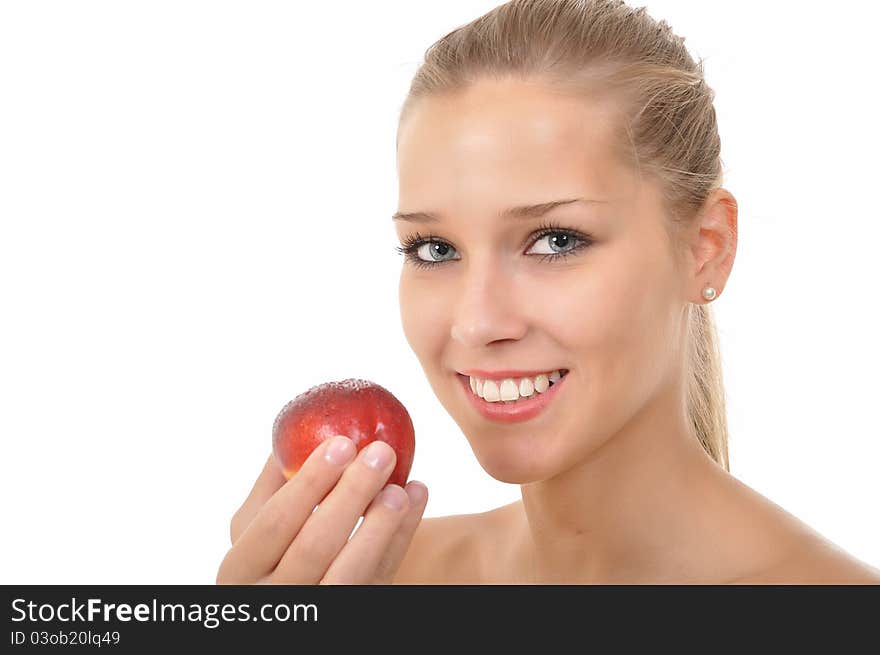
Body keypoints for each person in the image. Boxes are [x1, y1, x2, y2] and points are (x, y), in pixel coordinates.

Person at [217, 0, 880, 585]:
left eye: (555, 240)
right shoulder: (381, 581)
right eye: (435, 249)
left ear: (707, 245)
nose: (477, 323)